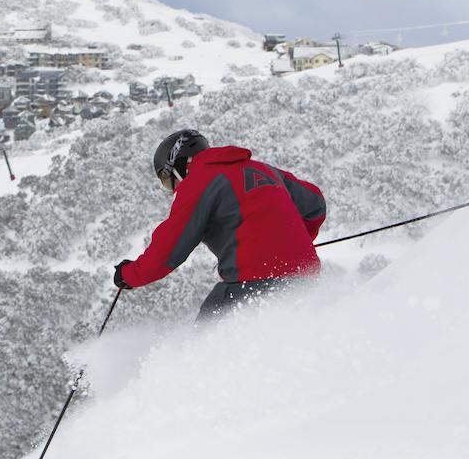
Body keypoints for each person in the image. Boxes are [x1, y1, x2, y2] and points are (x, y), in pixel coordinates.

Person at [113, 129, 326, 320]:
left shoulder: (199, 182)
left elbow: (168, 250)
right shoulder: (265, 170)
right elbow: (315, 204)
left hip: (252, 282)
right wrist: (293, 244)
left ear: (178, 165)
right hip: (306, 277)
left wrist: (128, 274)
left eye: (167, 180)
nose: (173, 189)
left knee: (203, 346)